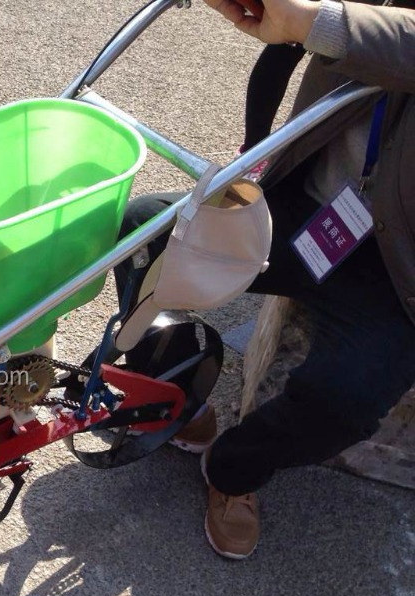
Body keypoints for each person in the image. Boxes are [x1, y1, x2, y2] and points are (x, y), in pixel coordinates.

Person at [118, 0, 415, 559]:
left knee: (346, 398)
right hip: (304, 205)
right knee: (143, 230)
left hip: (395, 269)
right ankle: (176, 399)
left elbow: (390, 40)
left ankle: (233, 470)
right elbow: (290, 41)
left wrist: (316, 21)